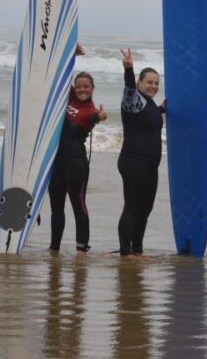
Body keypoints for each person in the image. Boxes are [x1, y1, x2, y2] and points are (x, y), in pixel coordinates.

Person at [48, 44, 107, 254]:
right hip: (57, 163)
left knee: (78, 206)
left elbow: (93, 118)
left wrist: (99, 118)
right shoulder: (70, 98)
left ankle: (81, 249)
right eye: (79, 86)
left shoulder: (90, 110)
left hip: (76, 164)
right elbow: (62, 72)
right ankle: (54, 248)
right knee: (56, 208)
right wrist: (71, 54)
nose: (82, 89)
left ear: (92, 89)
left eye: (86, 87)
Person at [116, 48, 165, 257]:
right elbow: (128, 88)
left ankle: (137, 250)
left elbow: (151, 116)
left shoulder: (151, 104)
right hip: (134, 161)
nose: (153, 86)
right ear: (139, 83)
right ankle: (125, 253)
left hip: (149, 165)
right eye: (149, 82)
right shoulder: (132, 100)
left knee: (145, 209)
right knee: (133, 207)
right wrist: (129, 69)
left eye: (156, 83)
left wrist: (164, 108)